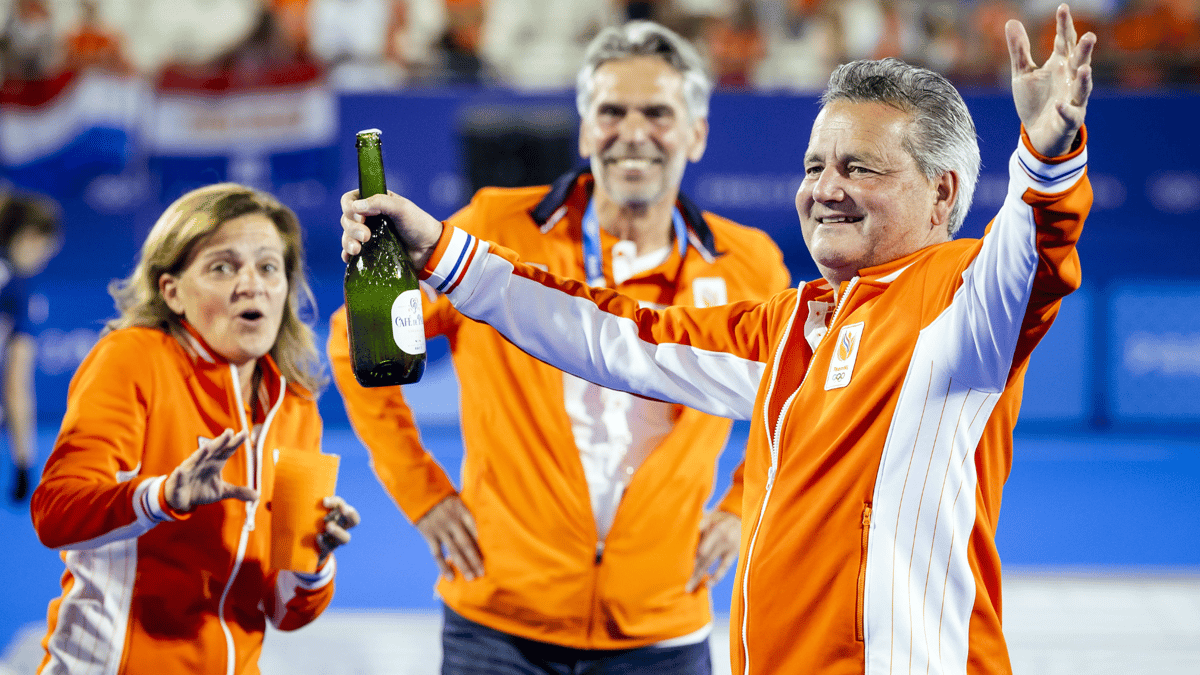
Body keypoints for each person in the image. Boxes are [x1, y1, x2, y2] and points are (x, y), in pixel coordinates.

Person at [338, 4, 1096, 674]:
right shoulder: (790, 324)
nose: (825, 188)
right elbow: (614, 336)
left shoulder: (964, 303)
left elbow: (1035, 247)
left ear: (942, 193)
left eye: (859, 167)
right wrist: (439, 251)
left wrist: (1047, 155)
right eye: (815, 165)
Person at [328, 20, 790, 675]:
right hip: (499, 626)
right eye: (612, 112)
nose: (633, 132)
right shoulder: (496, 229)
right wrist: (421, 490)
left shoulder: (750, 264)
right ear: (585, 131)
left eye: (658, 113)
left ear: (696, 133)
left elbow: (790, 397)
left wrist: (746, 502)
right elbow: (355, 335)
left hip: (661, 628)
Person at [31, 183, 360, 675]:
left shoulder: (297, 406)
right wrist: (163, 497)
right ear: (172, 292)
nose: (251, 284)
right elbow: (55, 513)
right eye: (222, 267)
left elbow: (285, 611)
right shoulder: (131, 359)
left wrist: (313, 562)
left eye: (269, 267)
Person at [0, 191, 60, 503]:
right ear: (29, 237)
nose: (42, 261)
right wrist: (23, 465)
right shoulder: (15, 287)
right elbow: (16, 384)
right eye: (45, 251)